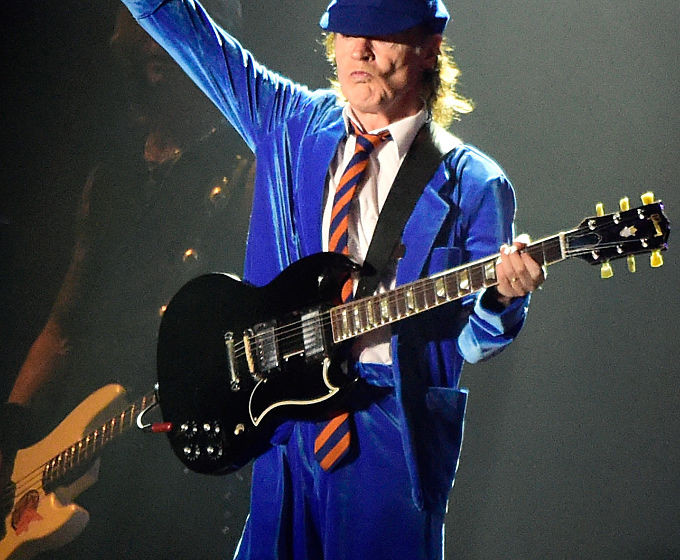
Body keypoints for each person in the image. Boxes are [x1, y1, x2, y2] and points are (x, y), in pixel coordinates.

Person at [117, 0, 545, 558]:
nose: (359, 52)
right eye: (346, 34)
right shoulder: (292, 122)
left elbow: (472, 341)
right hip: (285, 424)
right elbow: (190, 35)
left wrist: (501, 300)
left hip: (388, 432)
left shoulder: (474, 184)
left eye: (381, 35)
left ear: (430, 48)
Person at [1, 7, 253, 559]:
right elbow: (62, 326)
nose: (143, 40)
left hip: (174, 462)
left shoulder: (248, 169)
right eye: (133, 22)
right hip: (74, 452)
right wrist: (11, 434)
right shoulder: (111, 171)